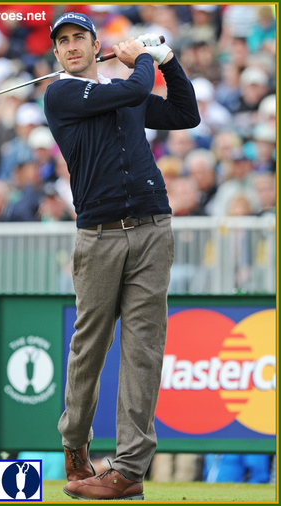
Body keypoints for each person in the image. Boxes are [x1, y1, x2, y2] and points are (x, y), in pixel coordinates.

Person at [43, 12, 200, 501]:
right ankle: (75, 445)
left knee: (143, 348)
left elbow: (184, 114)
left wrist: (168, 62)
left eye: (79, 39)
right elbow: (129, 91)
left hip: (153, 227)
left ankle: (129, 469)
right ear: (57, 53)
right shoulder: (63, 93)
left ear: (95, 46)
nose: (71, 47)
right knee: (90, 345)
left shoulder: (122, 88)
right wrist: (144, 58)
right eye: (63, 42)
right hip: (99, 235)